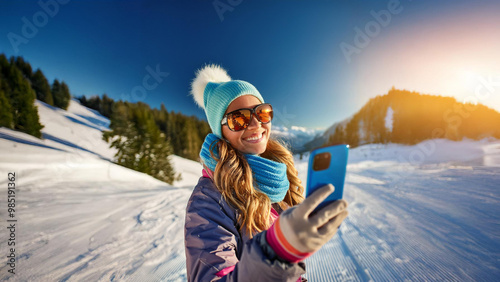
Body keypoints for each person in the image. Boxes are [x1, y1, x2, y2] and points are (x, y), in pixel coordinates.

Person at [184, 64, 349, 281]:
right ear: (220, 131)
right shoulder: (207, 201)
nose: (255, 124)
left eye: (262, 112)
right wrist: (278, 251)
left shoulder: (276, 173)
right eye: (239, 119)